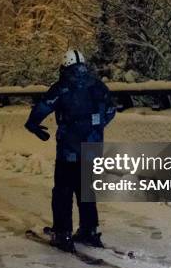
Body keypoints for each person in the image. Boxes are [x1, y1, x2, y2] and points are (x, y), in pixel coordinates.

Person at [24, 49, 116, 252]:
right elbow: (110, 110)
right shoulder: (98, 85)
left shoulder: (62, 87)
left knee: (63, 191)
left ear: (64, 66)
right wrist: (95, 129)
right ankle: (89, 230)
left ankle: (63, 233)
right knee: (86, 189)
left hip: (69, 150)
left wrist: (33, 125)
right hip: (92, 148)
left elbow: (43, 107)